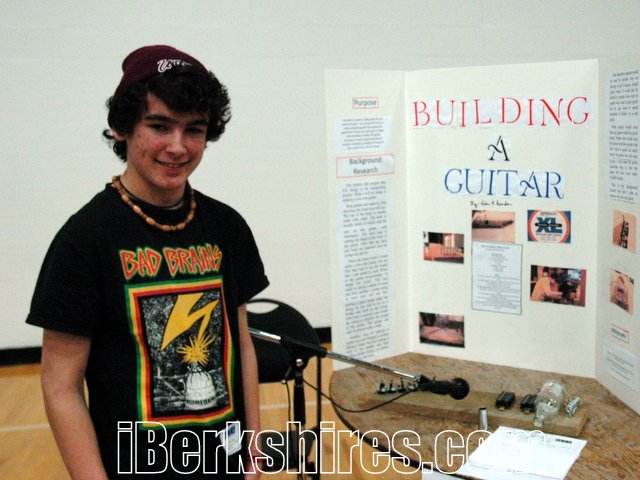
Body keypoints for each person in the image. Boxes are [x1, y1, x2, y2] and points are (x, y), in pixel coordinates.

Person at [27, 45, 269, 479]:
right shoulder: (84, 240)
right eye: (159, 126)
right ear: (122, 127)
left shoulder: (226, 226)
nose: (177, 147)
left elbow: (241, 344)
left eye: (194, 130)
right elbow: (61, 387)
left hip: (225, 462)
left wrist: (252, 452)